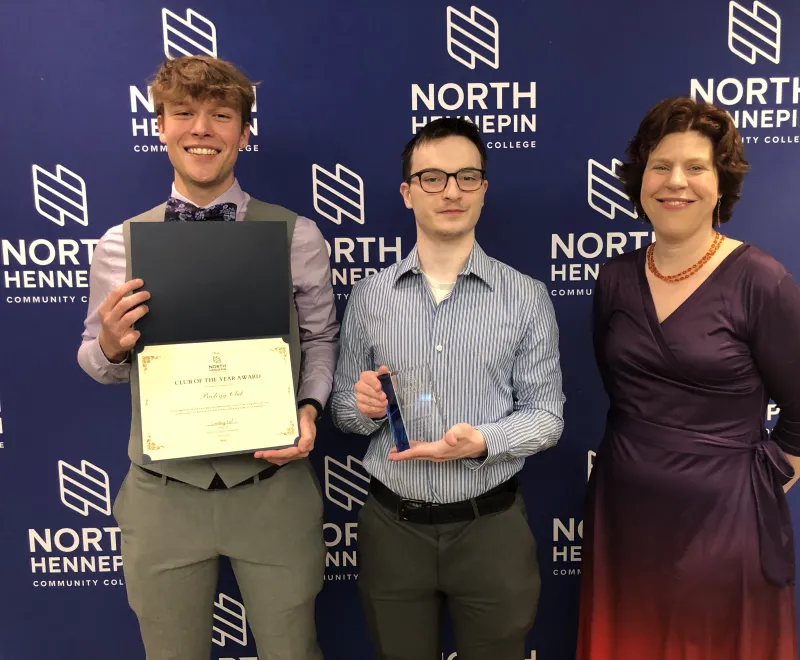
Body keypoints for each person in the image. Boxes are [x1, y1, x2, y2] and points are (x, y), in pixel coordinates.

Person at [76, 55, 338, 660]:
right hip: (163, 493)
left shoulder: (296, 235)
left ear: (243, 132)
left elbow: (323, 339)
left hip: (272, 486)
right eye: (184, 113)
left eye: (221, 116)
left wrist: (308, 407)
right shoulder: (120, 243)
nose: (202, 129)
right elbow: (95, 359)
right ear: (161, 126)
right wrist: (112, 347)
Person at [575, 96, 800, 659]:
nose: (676, 182)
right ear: (640, 179)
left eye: (696, 167)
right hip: (625, 517)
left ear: (721, 185)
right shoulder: (615, 278)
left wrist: (747, 488)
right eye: (661, 165)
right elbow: (617, 385)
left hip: (727, 531)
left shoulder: (761, 281)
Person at [330, 117, 565, 660]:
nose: (451, 190)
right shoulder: (369, 298)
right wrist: (363, 407)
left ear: (484, 189)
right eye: (432, 178)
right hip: (393, 527)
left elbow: (546, 416)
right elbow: (344, 408)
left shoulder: (526, 298)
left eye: (466, 176)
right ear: (407, 193)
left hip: (491, 529)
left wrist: (481, 441)